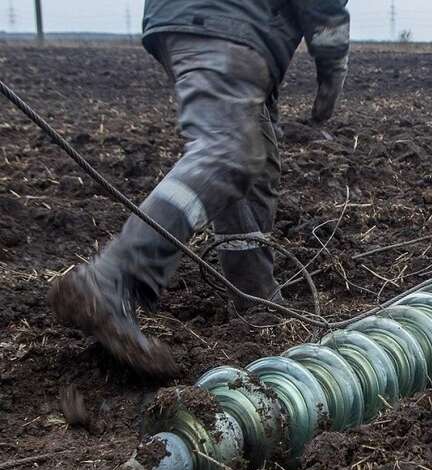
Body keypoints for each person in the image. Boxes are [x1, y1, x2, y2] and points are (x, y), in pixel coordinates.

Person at [47, 0, 351, 377]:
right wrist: (333, 71)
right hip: (222, 20)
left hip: (206, 20)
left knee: (253, 156)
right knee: (228, 151)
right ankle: (111, 278)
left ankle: (255, 297)